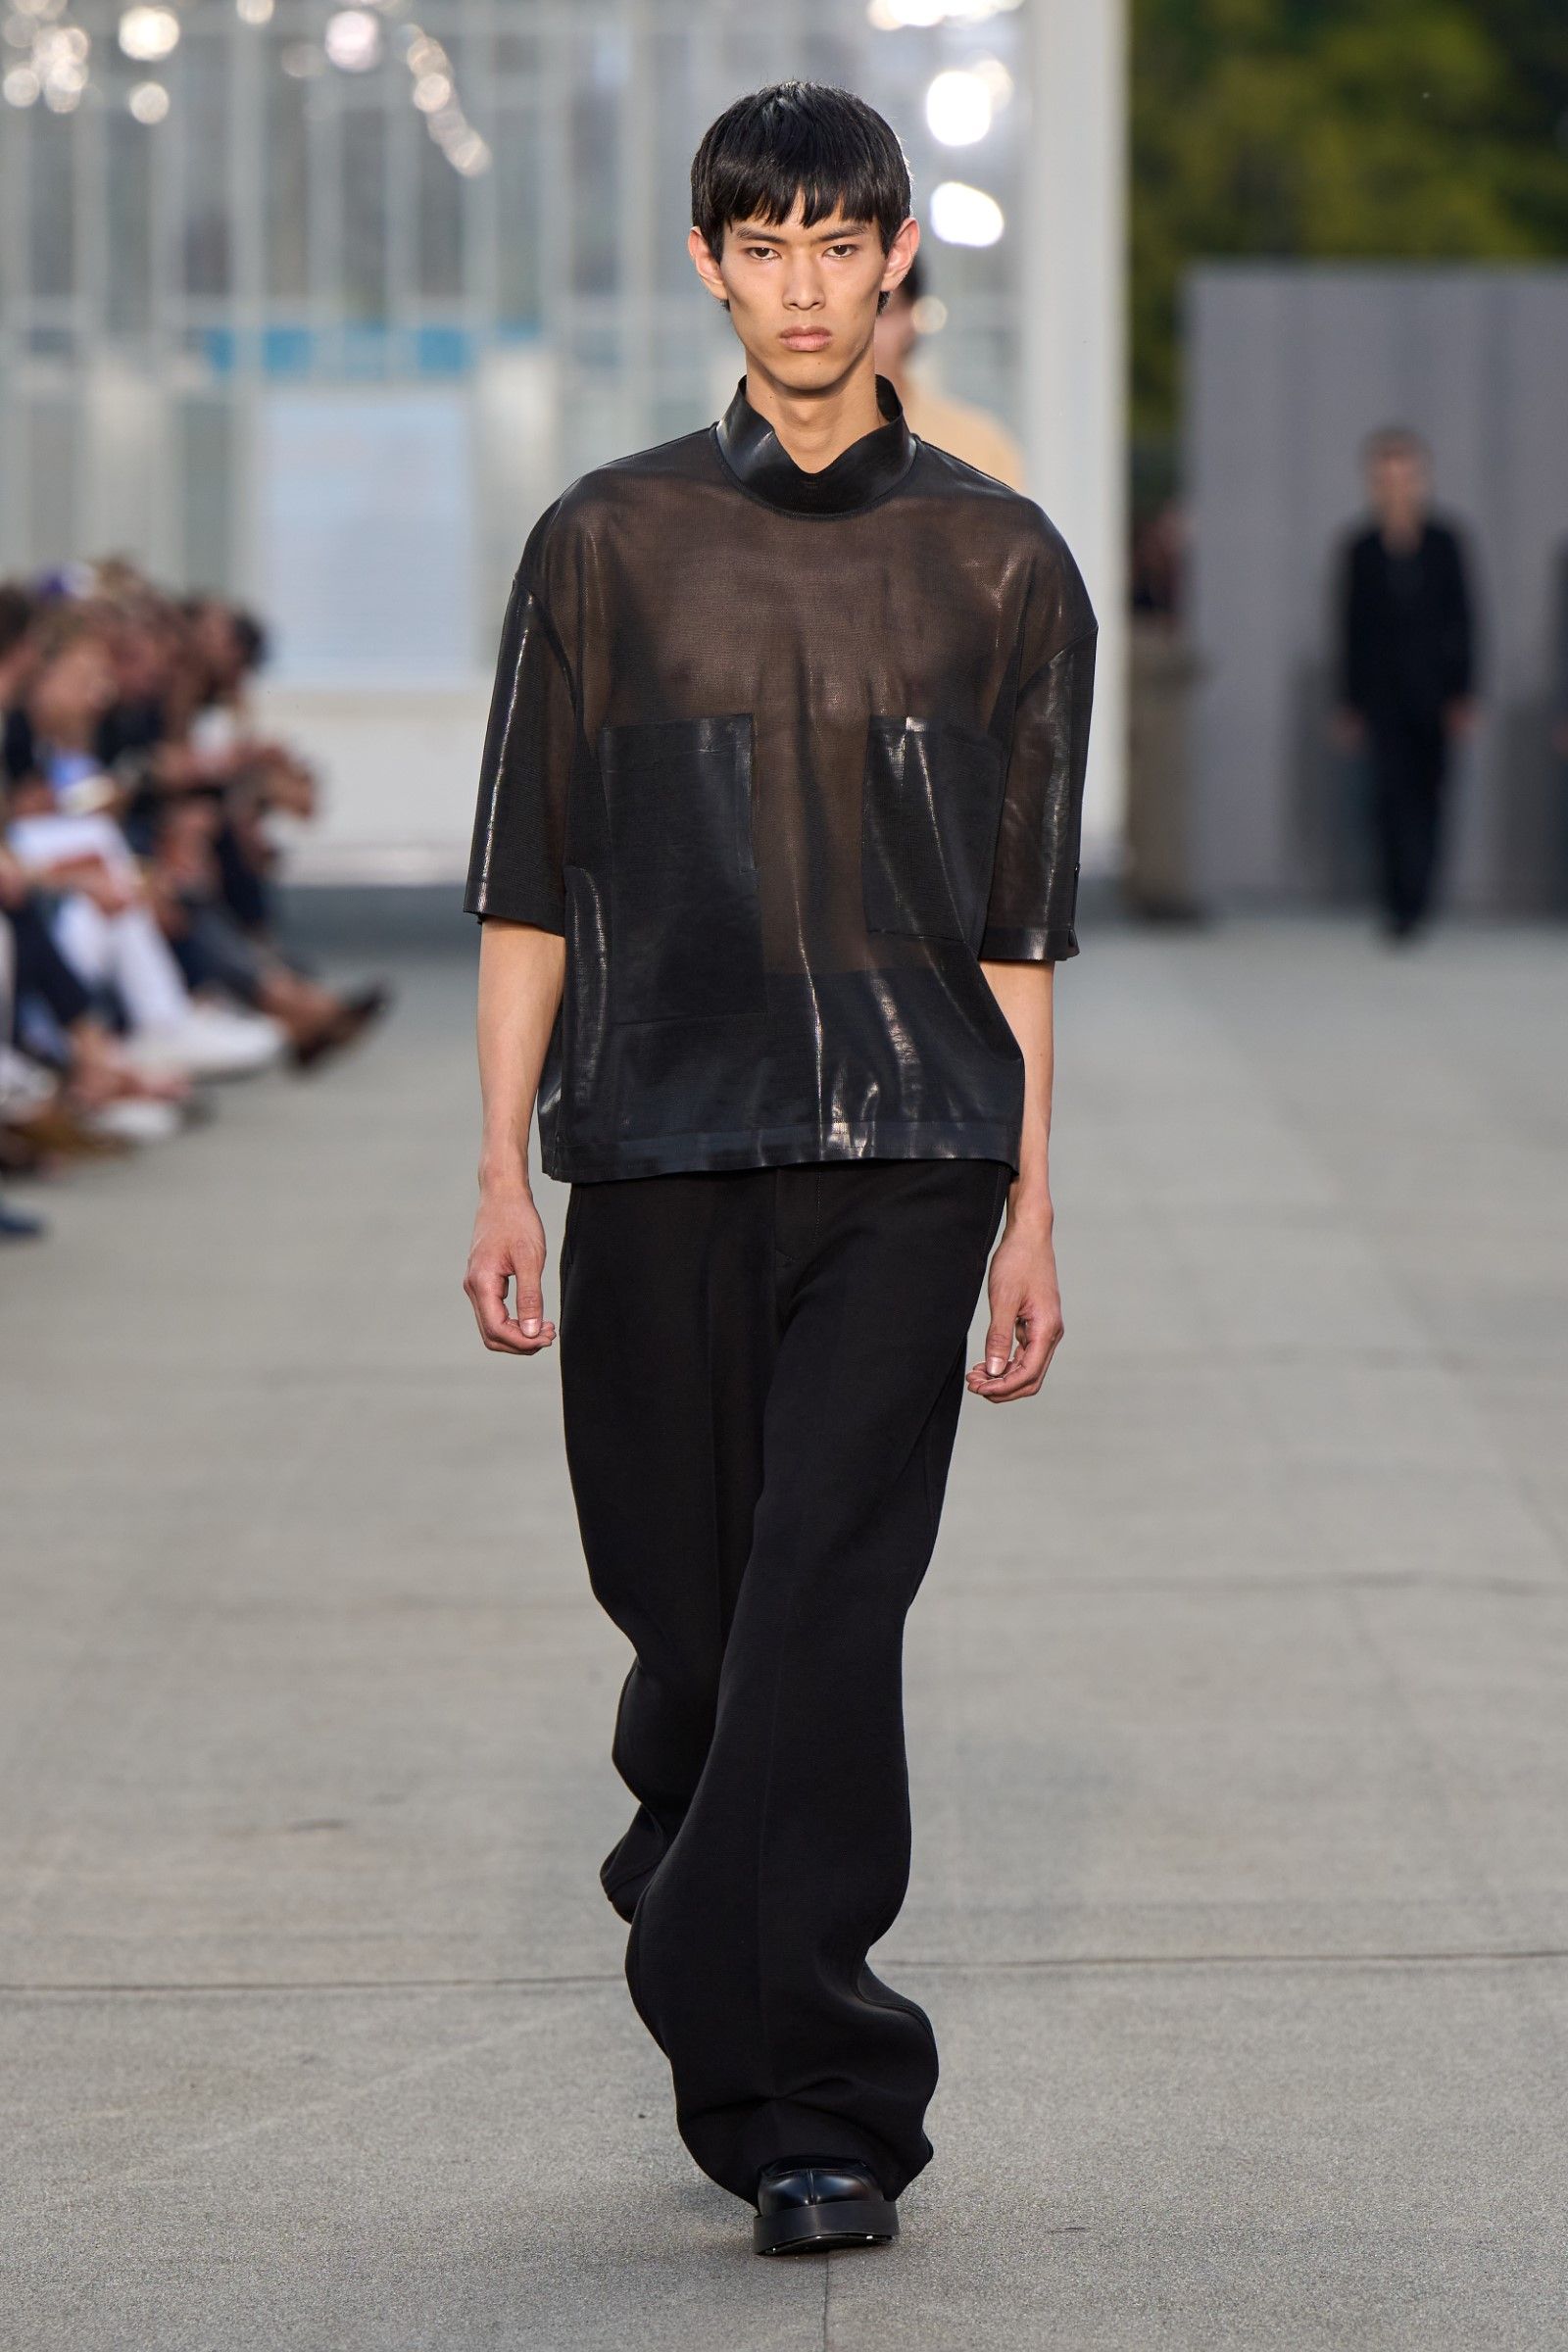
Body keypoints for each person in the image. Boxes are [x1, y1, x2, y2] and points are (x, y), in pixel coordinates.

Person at [462, 81, 1096, 2258]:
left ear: (897, 257)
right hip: (654, 1143)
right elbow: (527, 882)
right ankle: (699, 1853)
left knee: (826, 1597)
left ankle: (820, 2102)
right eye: (766, 246)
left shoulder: (1004, 566)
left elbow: (1016, 930)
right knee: (695, 1617)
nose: (806, 287)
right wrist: (496, 1171)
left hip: (914, 1144)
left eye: (843, 244)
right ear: (710, 266)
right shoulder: (605, 544)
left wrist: (1029, 1201)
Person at [1333, 426, 1478, 941]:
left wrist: (1464, 692)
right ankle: (1398, 902)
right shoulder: (1361, 549)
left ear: (1421, 480)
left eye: (1405, 476)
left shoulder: (1445, 543)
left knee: (1430, 796)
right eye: (1386, 478)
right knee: (1388, 800)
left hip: (1434, 695)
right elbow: (1350, 629)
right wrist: (1349, 702)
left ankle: (1420, 897)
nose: (1396, 487)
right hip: (1382, 697)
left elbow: (1465, 620)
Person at [871, 251, 1025, 490]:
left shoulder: (979, 447)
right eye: (849, 311)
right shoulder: (806, 446)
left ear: (912, 316)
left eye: (882, 311)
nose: (864, 331)